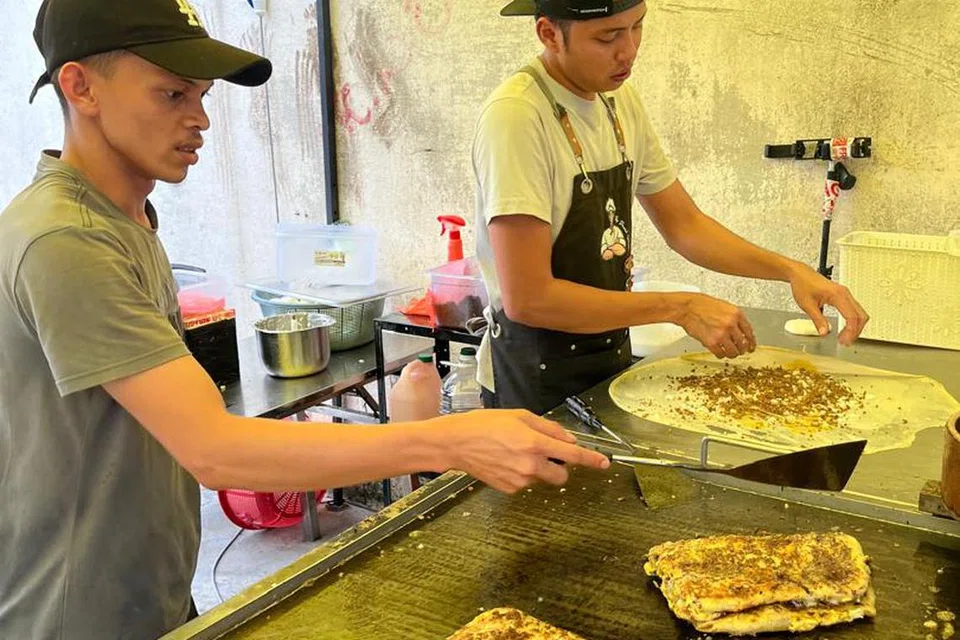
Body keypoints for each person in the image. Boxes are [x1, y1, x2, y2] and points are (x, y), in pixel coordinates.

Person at [0, 0, 609, 637]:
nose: (199, 119)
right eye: (172, 93)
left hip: (144, 593)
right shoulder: (64, 238)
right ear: (79, 85)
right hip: (73, 614)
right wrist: (454, 441)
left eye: (202, 95)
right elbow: (215, 450)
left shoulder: (126, 218)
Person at [473, 0, 870, 415]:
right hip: (530, 381)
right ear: (549, 34)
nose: (628, 51)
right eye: (607, 37)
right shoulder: (517, 118)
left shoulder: (618, 101)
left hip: (603, 363)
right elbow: (529, 298)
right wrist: (680, 307)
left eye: (636, 28)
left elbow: (685, 225)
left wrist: (790, 271)